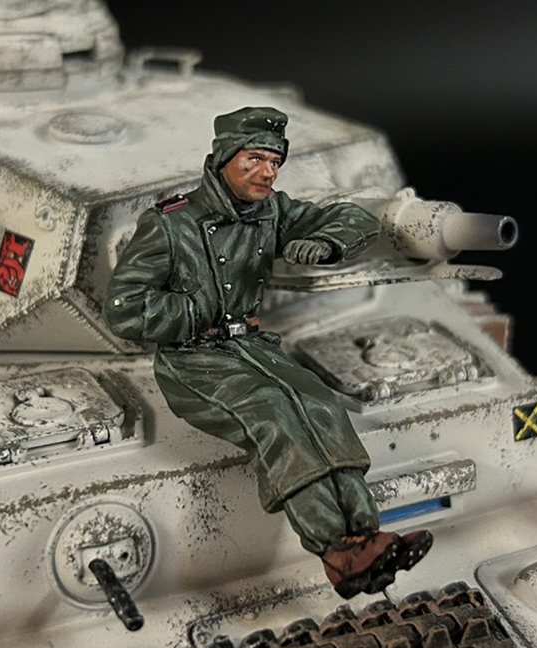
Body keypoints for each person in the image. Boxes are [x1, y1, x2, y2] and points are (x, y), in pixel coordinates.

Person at [104, 106, 431, 598]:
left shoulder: (271, 211)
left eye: (275, 162)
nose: (267, 172)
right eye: (254, 159)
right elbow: (123, 308)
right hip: (194, 359)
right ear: (224, 159)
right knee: (274, 412)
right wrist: (196, 308)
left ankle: (366, 535)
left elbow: (353, 218)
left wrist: (325, 242)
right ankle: (334, 547)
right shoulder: (170, 224)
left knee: (321, 404)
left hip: (254, 346)